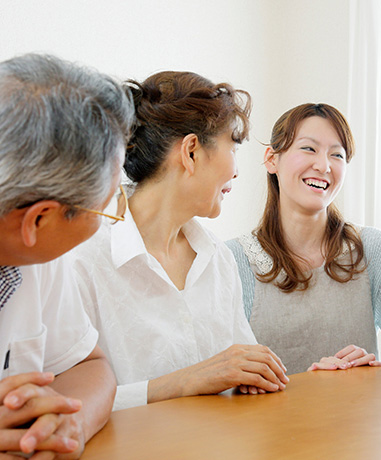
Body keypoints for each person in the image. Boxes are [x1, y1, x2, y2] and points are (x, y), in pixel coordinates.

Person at [71, 71, 288, 411]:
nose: (235, 171)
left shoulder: (218, 259)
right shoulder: (82, 259)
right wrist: (184, 382)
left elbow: (245, 375)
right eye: (231, 146)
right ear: (190, 152)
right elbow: (64, 405)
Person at [0, 54, 133, 458]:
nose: (113, 217)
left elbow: (88, 366)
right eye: (107, 205)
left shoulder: (36, 256)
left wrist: (71, 423)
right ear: (39, 219)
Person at [226, 103, 381, 374]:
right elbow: (218, 378)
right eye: (309, 148)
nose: (323, 165)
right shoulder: (231, 260)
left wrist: (372, 371)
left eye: (337, 155)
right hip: (265, 418)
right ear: (272, 159)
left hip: (357, 416)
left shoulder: (374, 249)